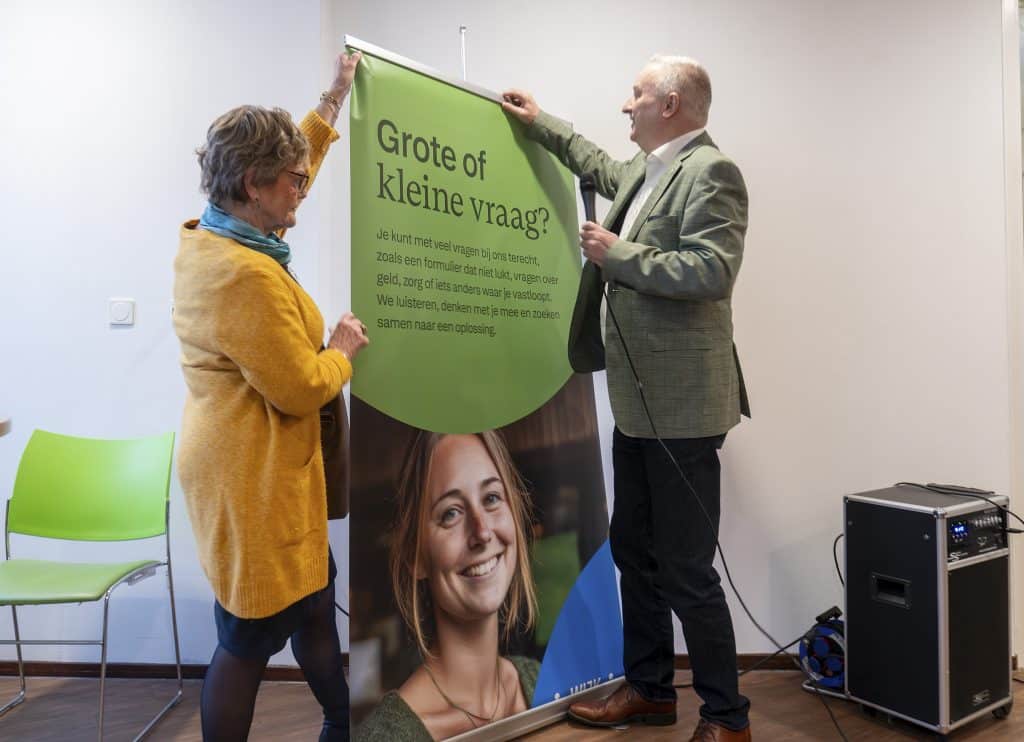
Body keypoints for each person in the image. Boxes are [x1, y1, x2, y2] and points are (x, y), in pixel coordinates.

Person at [502, 55, 752, 742]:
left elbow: (712, 270)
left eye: (636, 94)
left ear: (669, 104)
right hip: (639, 406)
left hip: (685, 411)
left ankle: (728, 719)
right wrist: (540, 122)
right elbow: (595, 162)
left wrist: (618, 256)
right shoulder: (647, 170)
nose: (626, 105)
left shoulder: (712, 172)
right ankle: (650, 690)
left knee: (685, 569)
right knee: (632, 551)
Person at [173, 51, 368, 741]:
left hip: (263, 469)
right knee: (248, 639)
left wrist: (333, 99)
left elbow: (294, 163)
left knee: (312, 605)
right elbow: (297, 388)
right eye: (294, 181)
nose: (303, 190)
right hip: (252, 479)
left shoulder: (222, 230)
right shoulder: (244, 274)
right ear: (254, 185)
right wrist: (341, 350)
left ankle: (342, 723)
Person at [356, 431, 539, 741]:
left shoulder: (540, 680)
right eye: (451, 513)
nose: (482, 532)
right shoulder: (385, 736)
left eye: (491, 498)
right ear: (415, 555)